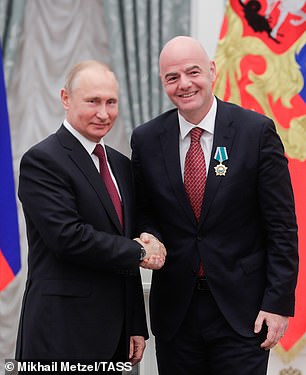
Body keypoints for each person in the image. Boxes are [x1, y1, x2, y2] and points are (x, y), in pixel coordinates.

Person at [131, 36, 298, 375]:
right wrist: (150, 236)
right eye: (172, 77)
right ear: (162, 82)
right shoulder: (146, 140)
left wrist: (277, 305)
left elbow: (281, 227)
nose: (184, 84)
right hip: (176, 313)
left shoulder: (256, 132)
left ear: (212, 71)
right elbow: (145, 210)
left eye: (193, 72)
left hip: (244, 314)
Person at [15, 60, 166, 371]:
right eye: (93, 101)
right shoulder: (42, 161)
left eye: (111, 102)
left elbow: (128, 239)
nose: (103, 112)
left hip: (116, 335)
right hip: (61, 332)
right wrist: (140, 251)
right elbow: (68, 237)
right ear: (66, 98)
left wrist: (136, 322)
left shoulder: (121, 164)